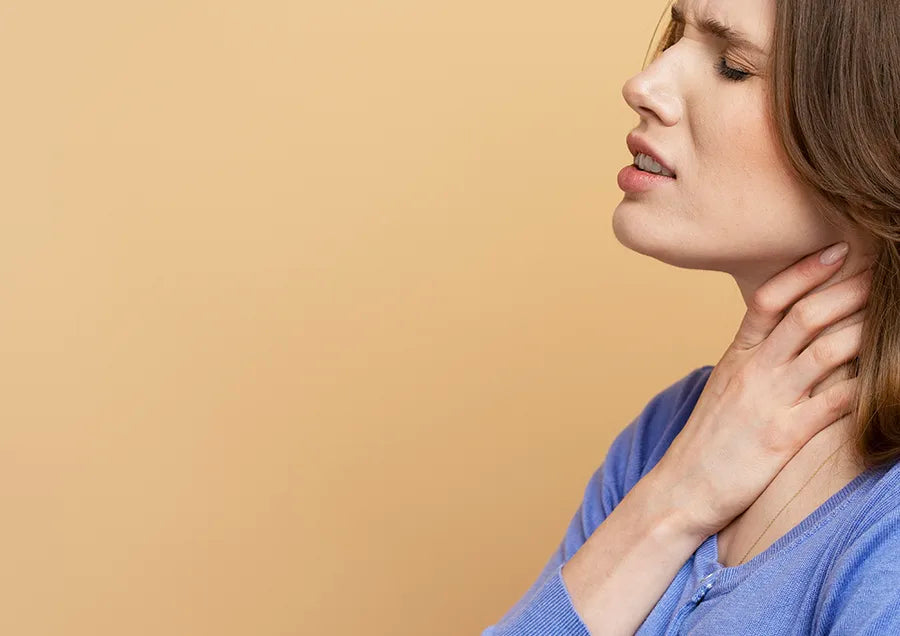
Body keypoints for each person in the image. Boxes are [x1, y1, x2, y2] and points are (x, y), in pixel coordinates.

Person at [482, 0, 900, 633]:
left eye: (733, 64)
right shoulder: (672, 436)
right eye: (679, 34)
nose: (643, 85)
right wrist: (672, 502)